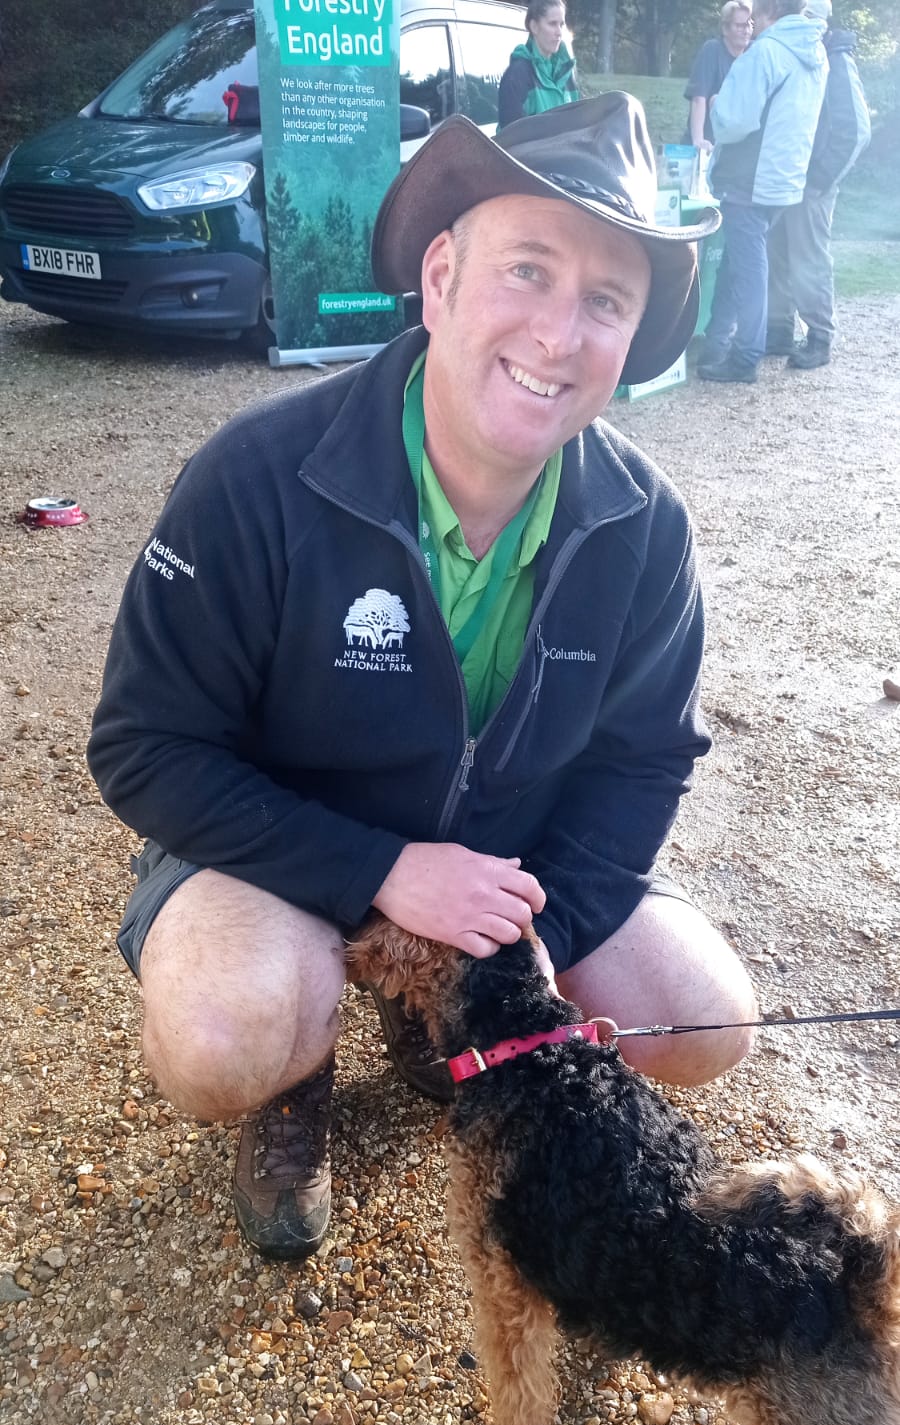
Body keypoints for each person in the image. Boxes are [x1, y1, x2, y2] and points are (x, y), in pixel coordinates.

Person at [88, 95, 756, 1264]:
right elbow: (144, 748)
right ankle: (299, 1073)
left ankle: (441, 1013)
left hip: (499, 879)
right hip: (281, 862)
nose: (558, 334)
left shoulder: (649, 527)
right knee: (220, 1032)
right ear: (440, 277)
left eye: (607, 300)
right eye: (529, 271)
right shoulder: (254, 478)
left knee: (704, 1020)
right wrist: (382, 868)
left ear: (636, 338)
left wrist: (543, 934)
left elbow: (645, 758)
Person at [697, 0, 828, 384]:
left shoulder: (766, 53)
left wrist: (719, 105)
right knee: (739, 262)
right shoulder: (816, 52)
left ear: (769, 8)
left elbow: (735, 122)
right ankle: (718, 342)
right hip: (783, 179)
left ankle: (744, 356)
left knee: (750, 268)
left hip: (748, 179)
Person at [766, 0, 871, 368]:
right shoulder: (796, 57)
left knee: (809, 258)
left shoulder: (837, 61)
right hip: (787, 175)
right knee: (778, 253)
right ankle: (778, 328)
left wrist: (821, 179)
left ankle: (819, 337)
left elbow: (856, 130)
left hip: (811, 182)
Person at [683, 1, 754, 151]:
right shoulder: (712, 50)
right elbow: (698, 98)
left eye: (749, 24)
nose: (746, 30)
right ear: (725, 28)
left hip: (734, 147)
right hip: (707, 144)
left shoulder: (754, 54)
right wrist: (698, 140)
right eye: (740, 25)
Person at [497, 0, 579, 130]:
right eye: (552, 24)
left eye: (561, 24)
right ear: (534, 27)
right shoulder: (517, 75)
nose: (559, 32)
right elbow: (509, 141)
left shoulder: (566, 71)